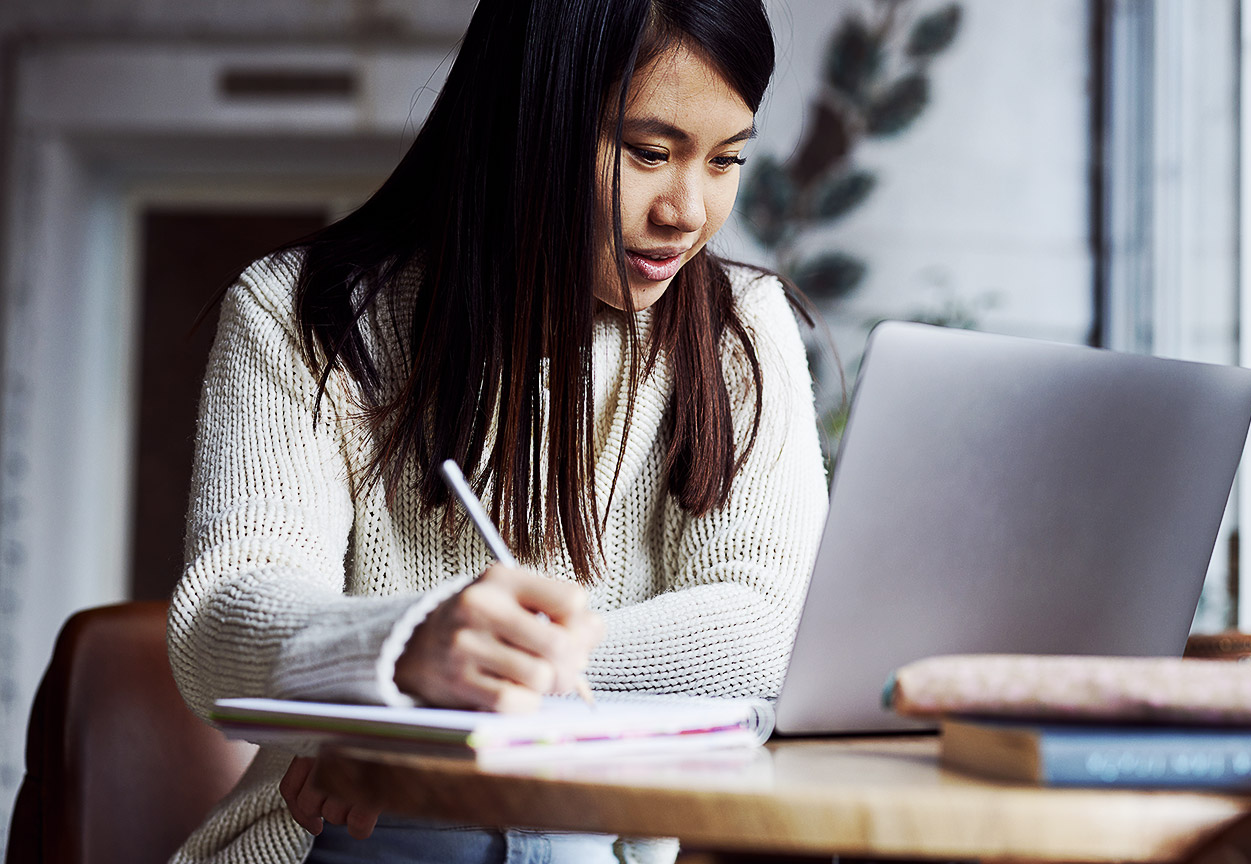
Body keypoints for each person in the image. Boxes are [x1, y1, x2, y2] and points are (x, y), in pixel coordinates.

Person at [166, 0, 828, 861]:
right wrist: (405, 652)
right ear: (531, 119)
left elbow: (771, 633)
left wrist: (452, 700)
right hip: (347, 835)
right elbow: (221, 618)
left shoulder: (741, 326)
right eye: (650, 153)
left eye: (726, 159)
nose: (688, 211)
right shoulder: (301, 313)